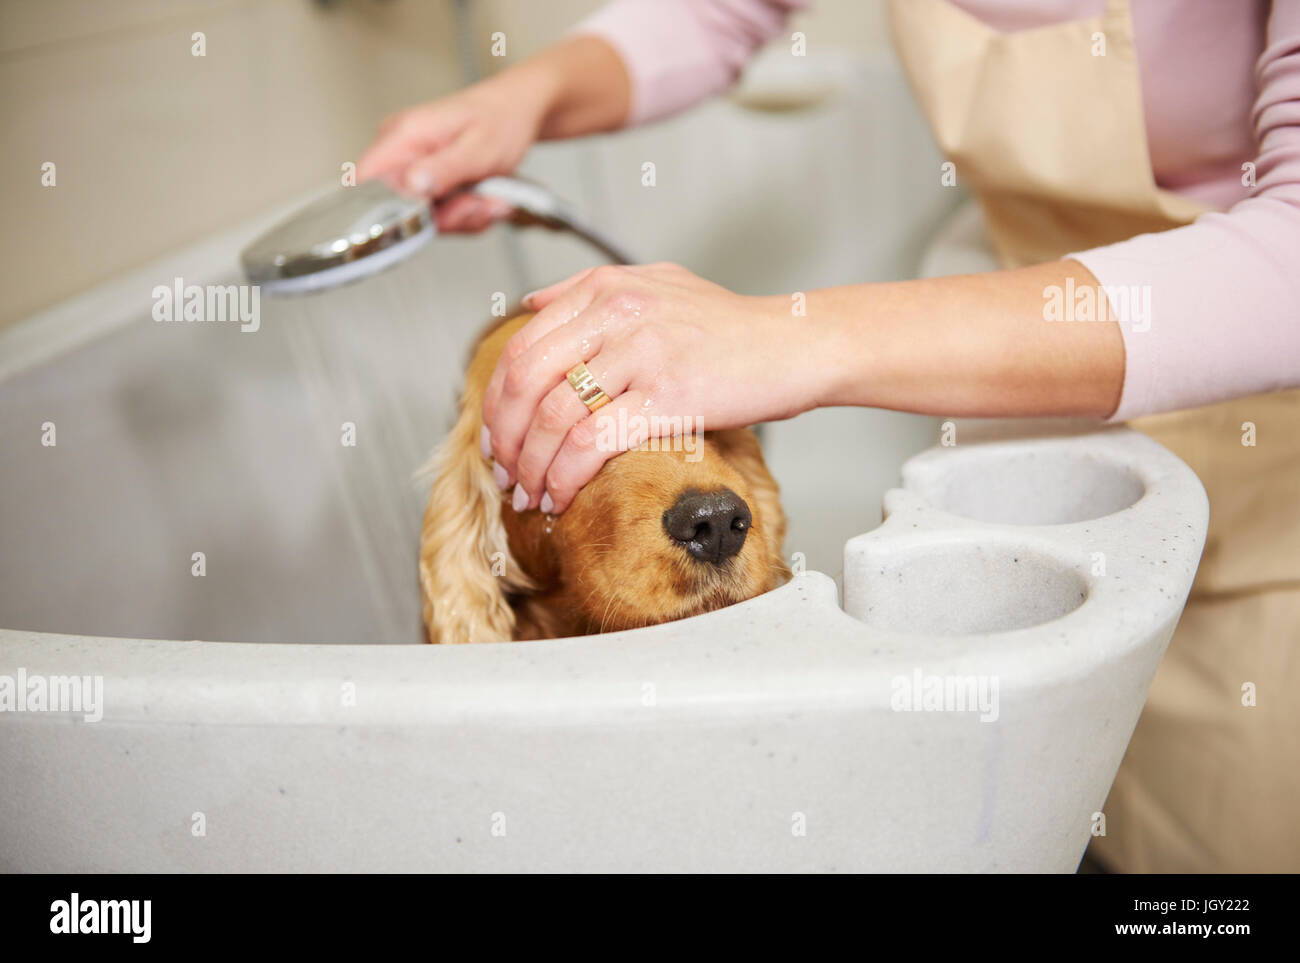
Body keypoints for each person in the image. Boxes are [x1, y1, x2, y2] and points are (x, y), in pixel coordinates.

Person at [359, 0, 1300, 872]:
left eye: (714, 433)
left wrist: (794, 335)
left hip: (1266, 458)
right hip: (1020, 416)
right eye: (574, 431)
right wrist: (519, 98)